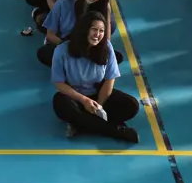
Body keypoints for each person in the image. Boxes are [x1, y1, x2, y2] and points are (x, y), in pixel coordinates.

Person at [49, 13, 141, 143]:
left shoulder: (106, 47)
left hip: (99, 95)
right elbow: (59, 83)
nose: (97, 34)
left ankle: (83, 124)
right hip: (74, 97)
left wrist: (99, 106)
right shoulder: (61, 50)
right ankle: (118, 131)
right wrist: (84, 100)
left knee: (132, 105)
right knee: (61, 104)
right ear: (84, 29)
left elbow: (109, 80)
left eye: (101, 31)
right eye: (94, 29)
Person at [38, 0, 114, 65]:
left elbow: (106, 42)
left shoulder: (102, 9)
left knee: (111, 57)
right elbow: (50, 35)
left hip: (90, 48)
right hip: (67, 45)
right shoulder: (63, 3)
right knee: (45, 52)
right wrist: (69, 47)